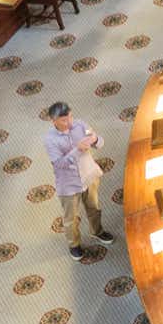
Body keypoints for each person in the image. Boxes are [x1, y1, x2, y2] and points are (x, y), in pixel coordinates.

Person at [43, 102, 111, 259]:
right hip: (68, 185)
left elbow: (100, 143)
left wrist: (95, 139)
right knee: (71, 219)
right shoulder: (50, 140)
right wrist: (77, 150)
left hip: (89, 176)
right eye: (64, 120)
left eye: (70, 117)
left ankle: (97, 231)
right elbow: (59, 165)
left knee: (94, 207)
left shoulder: (81, 125)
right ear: (54, 121)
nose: (70, 122)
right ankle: (74, 244)